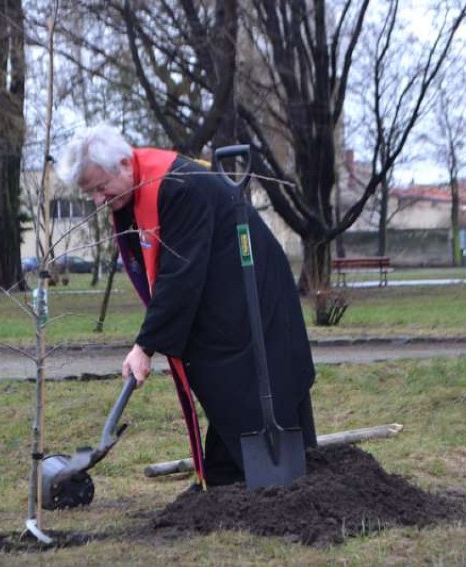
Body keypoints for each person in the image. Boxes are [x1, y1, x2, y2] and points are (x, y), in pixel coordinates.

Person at [56, 123, 316, 488]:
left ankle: (265, 475)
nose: (99, 200)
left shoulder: (178, 186)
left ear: (125, 164)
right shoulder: (136, 191)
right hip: (220, 292)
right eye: (90, 194)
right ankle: (228, 474)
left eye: (101, 188)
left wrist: (144, 345)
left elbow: (179, 274)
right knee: (219, 379)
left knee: (247, 375)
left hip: (252, 286)